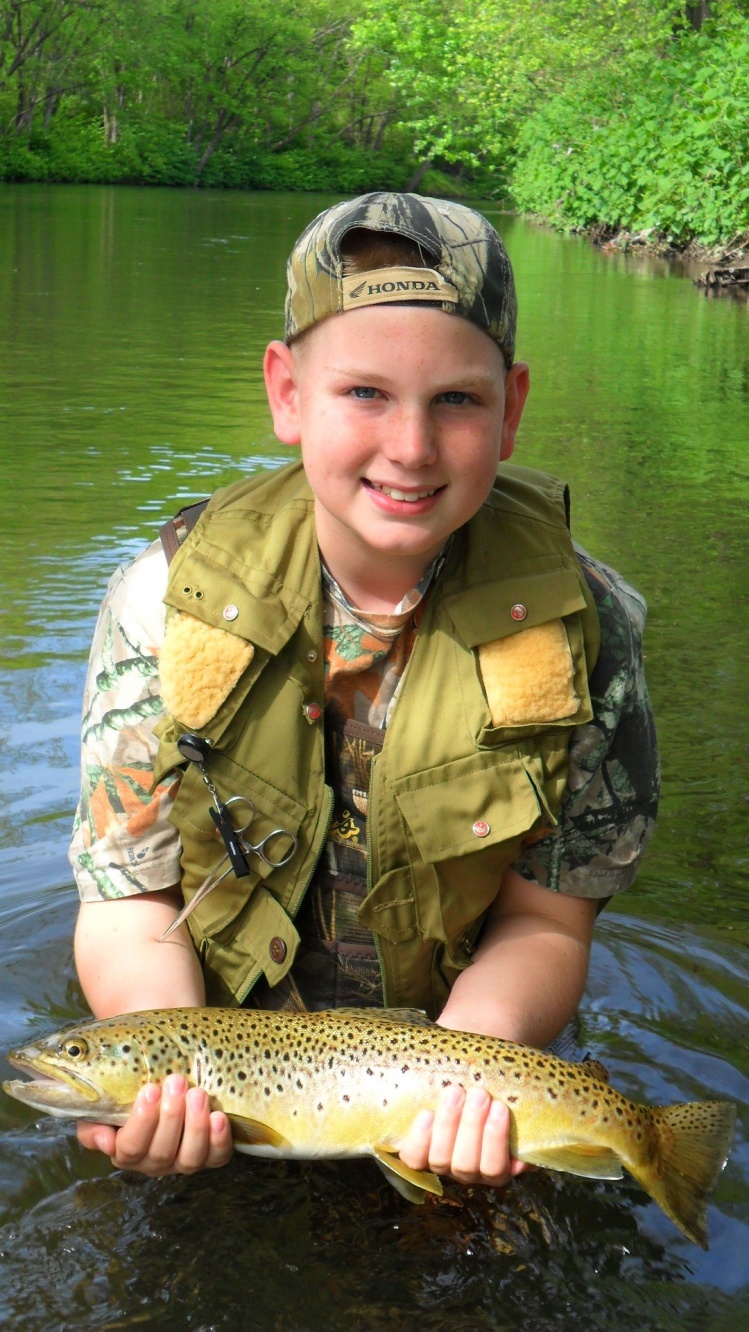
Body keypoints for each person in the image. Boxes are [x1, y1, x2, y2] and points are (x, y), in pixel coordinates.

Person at [69, 192, 658, 1187]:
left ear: (510, 408)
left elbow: (549, 922)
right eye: (363, 394)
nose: (411, 447)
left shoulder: (586, 629)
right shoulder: (161, 601)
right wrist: (152, 1067)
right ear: (286, 392)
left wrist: (470, 1072)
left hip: (456, 1050)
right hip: (224, 1053)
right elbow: (130, 899)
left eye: (455, 401)